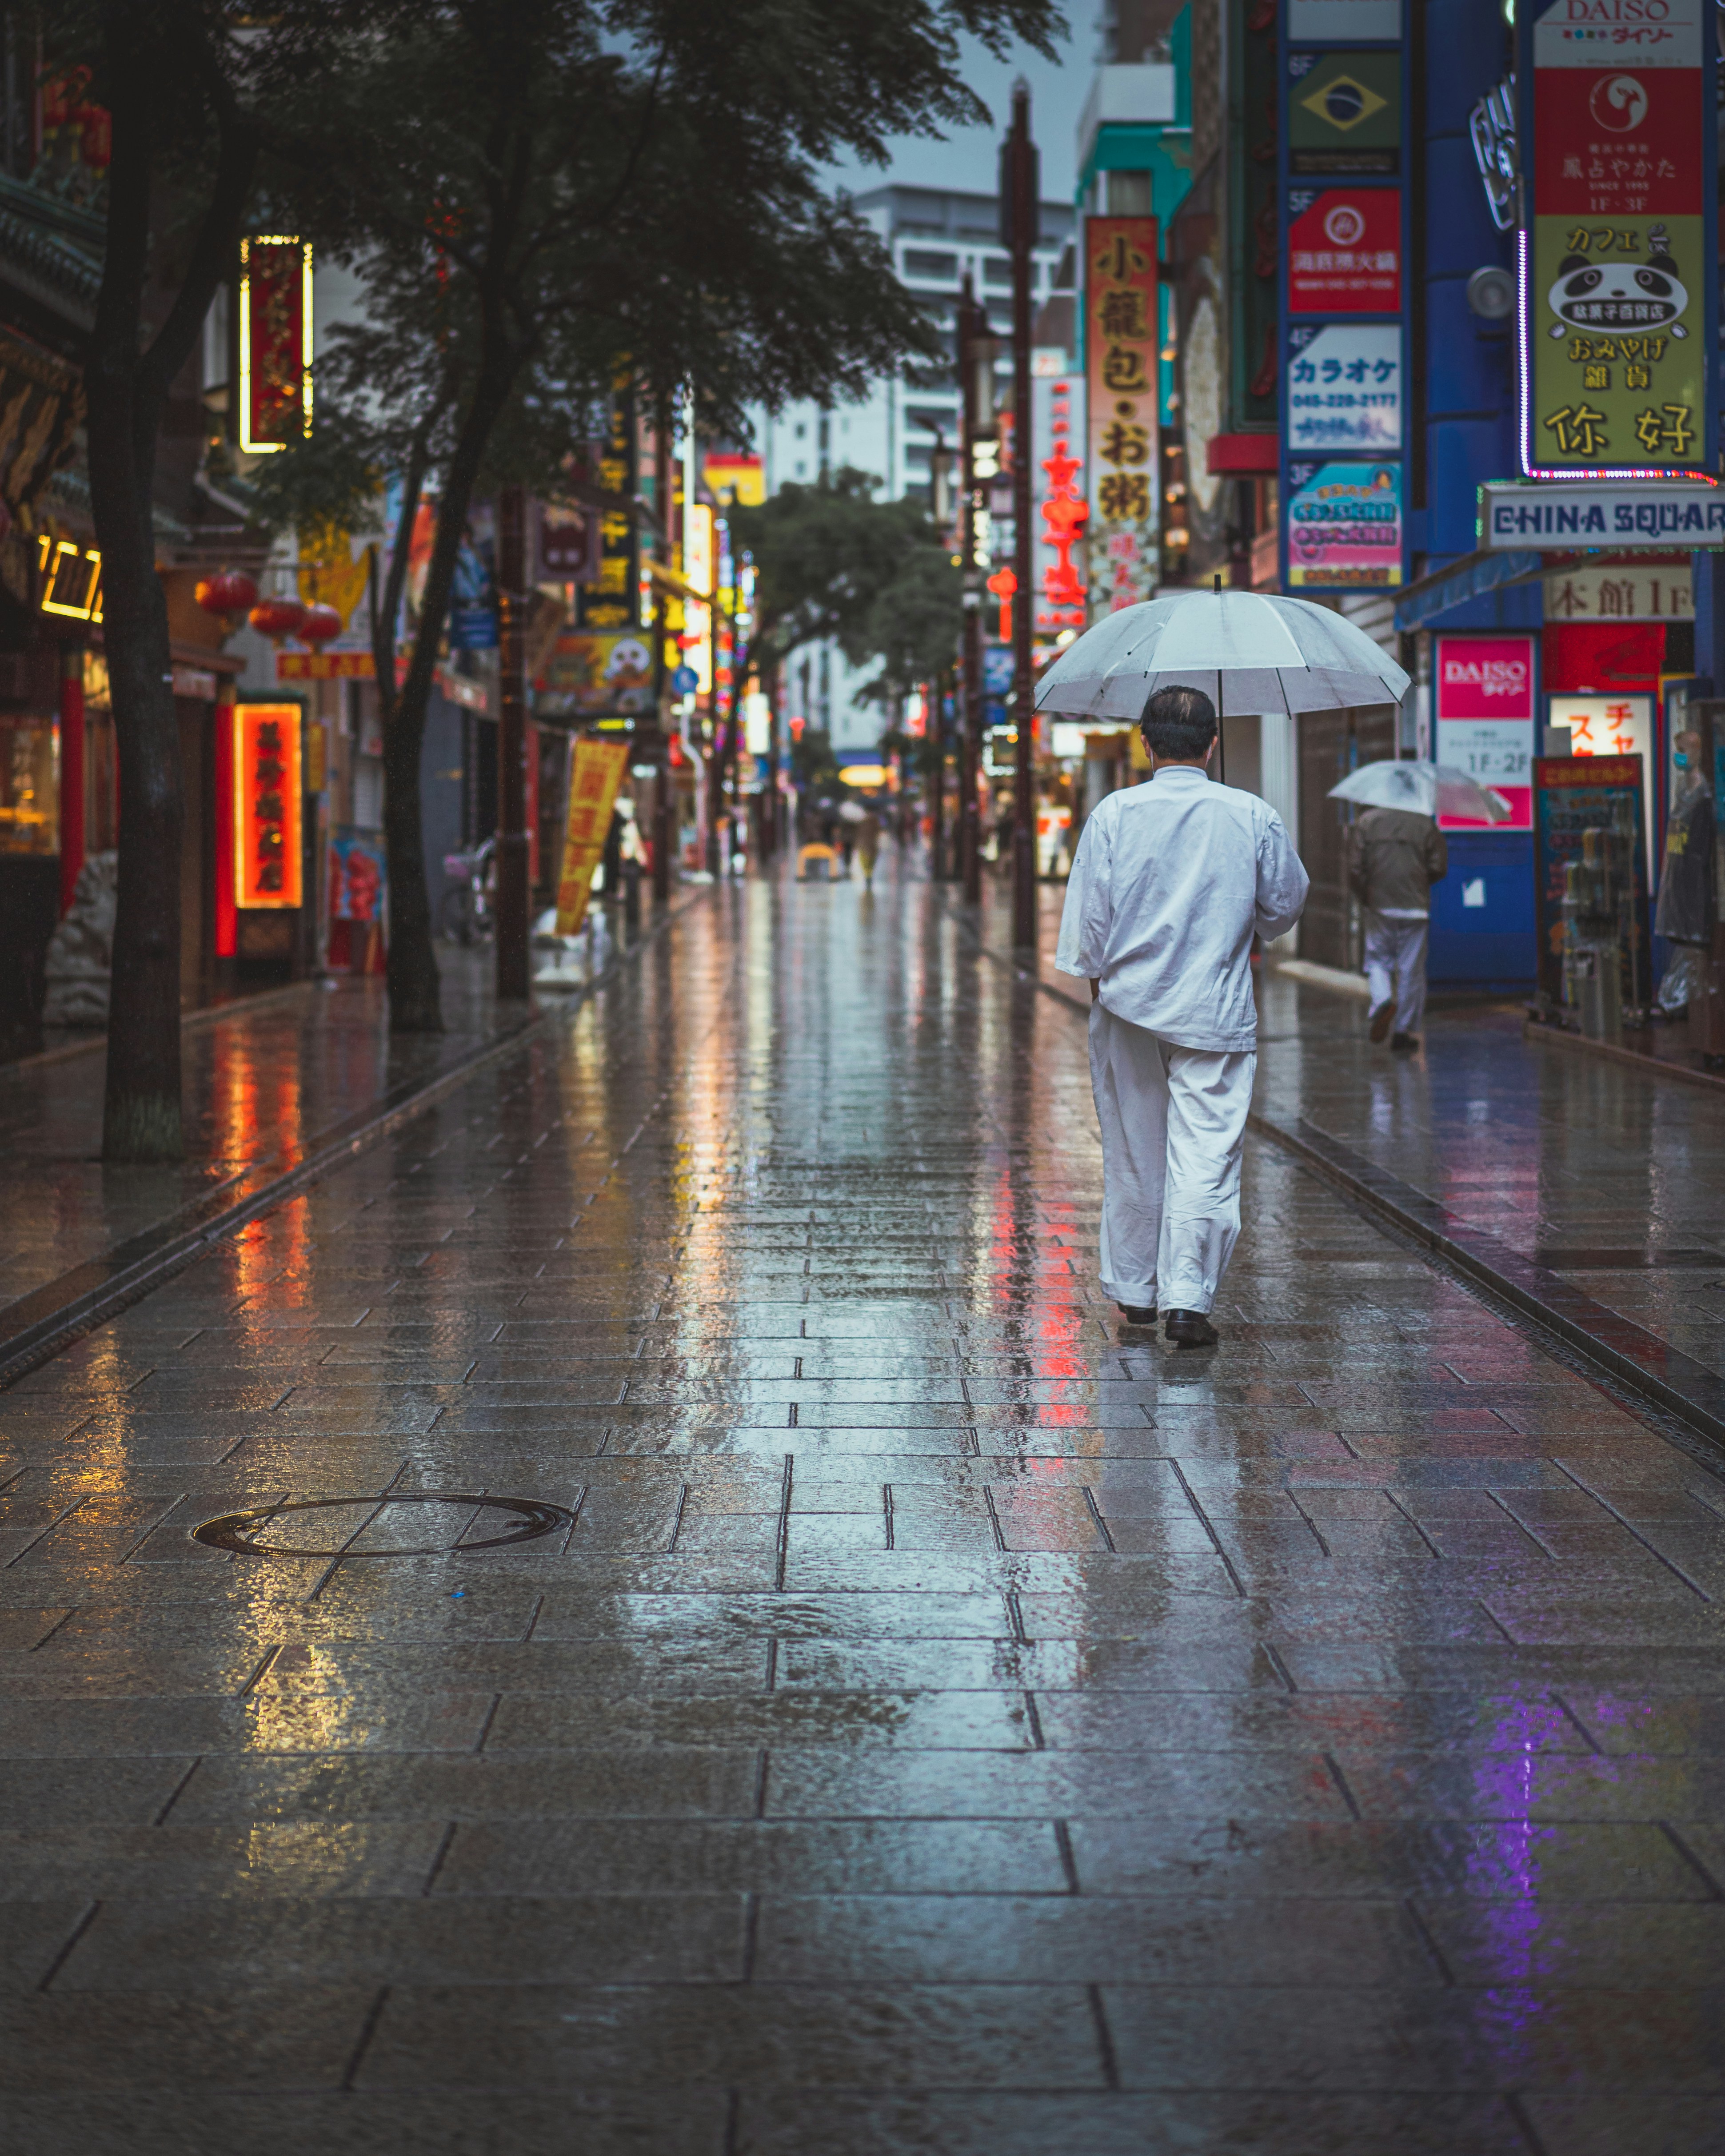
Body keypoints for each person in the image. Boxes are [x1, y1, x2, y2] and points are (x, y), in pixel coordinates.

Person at [1056, 685, 1307, 1348]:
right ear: (1212, 743)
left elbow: (1088, 925)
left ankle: (1137, 1293)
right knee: (1204, 1157)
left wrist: (1099, 990)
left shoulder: (1115, 812)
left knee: (1135, 1152)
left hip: (1127, 1007)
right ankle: (1187, 1302)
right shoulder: (1250, 814)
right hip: (1214, 1011)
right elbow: (1285, 903)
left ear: (1145, 742)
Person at [1346, 793, 1447, 1052]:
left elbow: (1356, 868)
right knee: (1411, 969)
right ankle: (1403, 1032)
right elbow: (1439, 866)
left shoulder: (1367, 822)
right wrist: (1419, 886)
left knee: (1378, 959)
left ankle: (1382, 999)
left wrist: (1366, 895)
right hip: (1415, 908)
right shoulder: (1425, 824)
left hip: (1380, 905)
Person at [1654, 728, 1713, 1018]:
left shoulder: (1705, 792)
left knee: (1696, 945)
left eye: (1685, 749)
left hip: (1696, 878)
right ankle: (1682, 999)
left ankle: (1690, 1001)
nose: (1681, 756)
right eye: (1678, 749)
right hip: (1679, 875)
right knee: (1685, 944)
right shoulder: (1684, 789)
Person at [856, 807, 882, 890]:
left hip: (864, 845)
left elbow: (857, 833)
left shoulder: (860, 821)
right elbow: (879, 832)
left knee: (864, 862)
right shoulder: (876, 822)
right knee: (870, 862)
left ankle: (868, 875)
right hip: (872, 845)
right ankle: (869, 875)